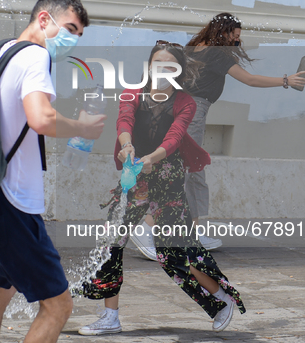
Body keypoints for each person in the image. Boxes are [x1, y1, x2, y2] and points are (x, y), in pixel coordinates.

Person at [0, 0, 106, 343]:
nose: (72, 39)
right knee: (59, 306)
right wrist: (82, 128)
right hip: (14, 202)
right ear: (44, 20)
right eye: (70, 28)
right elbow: (41, 119)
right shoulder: (35, 57)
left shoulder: (0, 50)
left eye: (79, 34)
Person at [77, 41, 246, 336]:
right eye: (158, 65)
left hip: (167, 175)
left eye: (170, 66)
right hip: (135, 171)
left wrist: (152, 158)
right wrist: (127, 146)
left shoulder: (185, 102)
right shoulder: (133, 92)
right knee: (110, 245)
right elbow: (124, 121)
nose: (163, 71)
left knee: (171, 255)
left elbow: (174, 137)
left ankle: (220, 298)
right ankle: (110, 317)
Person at [132, 13, 305, 254]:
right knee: (183, 170)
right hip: (192, 112)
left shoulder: (193, 49)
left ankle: (188, 233)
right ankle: (147, 227)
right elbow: (250, 80)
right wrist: (286, 80)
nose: (236, 43)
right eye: (234, 38)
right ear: (221, 33)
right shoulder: (215, 53)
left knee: (191, 170)